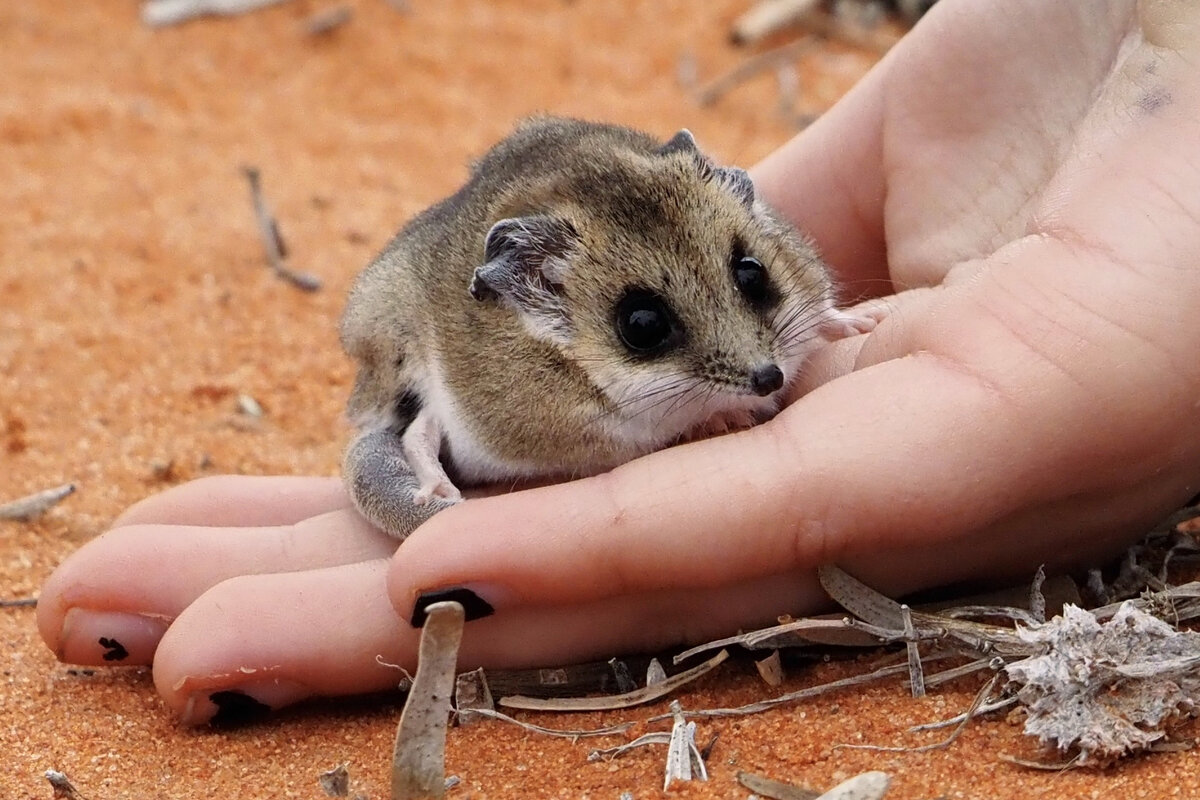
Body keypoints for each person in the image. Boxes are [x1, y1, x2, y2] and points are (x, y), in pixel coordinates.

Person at [37, 0, 1200, 725]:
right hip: (452, 329)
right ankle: (399, 427)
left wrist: (809, 311)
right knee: (396, 318)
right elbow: (563, 430)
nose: (754, 366)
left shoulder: (729, 209)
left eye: (747, 285)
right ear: (534, 292)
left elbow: (768, 245)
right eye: (648, 328)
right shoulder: (519, 360)